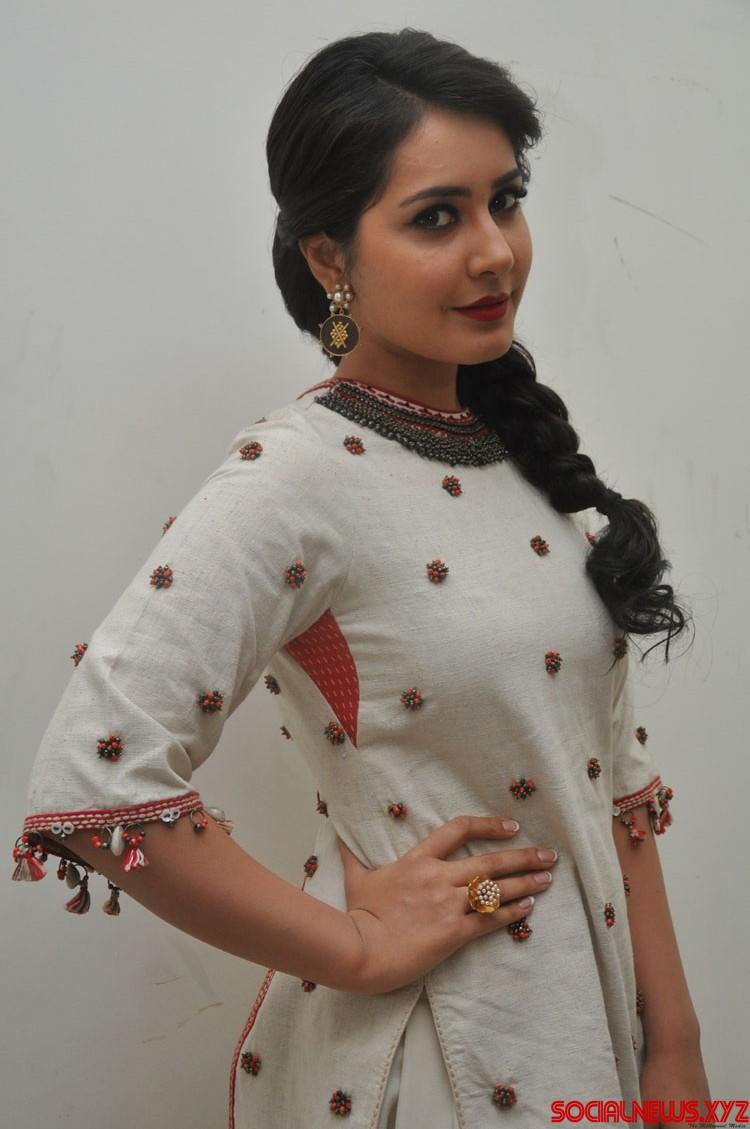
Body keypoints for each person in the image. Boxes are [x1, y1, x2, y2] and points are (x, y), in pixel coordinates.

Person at [12, 27, 711, 1129]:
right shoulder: (297, 475)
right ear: (330, 257)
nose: (495, 251)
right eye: (437, 216)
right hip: (442, 1056)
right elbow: (96, 775)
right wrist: (357, 942)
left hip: (589, 1035)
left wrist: (675, 1049)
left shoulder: (528, 461)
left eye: (505, 200)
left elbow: (613, 775)